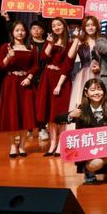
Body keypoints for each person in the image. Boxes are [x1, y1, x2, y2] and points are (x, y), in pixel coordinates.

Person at [67, 79, 107, 184]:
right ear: (86, 93)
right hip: (90, 152)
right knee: (97, 162)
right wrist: (70, 115)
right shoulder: (81, 110)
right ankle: (89, 172)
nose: (96, 93)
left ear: (104, 91)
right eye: (93, 90)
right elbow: (59, 119)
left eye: (99, 89)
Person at [0, 21, 38, 157]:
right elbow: (0, 65)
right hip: (11, 84)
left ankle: (22, 145)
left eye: (23, 30)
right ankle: (13, 146)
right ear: (12, 32)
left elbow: (35, 66)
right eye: (17, 30)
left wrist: (29, 78)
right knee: (12, 115)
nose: (20, 33)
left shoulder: (31, 47)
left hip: (26, 83)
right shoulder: (6, 47)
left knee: (26, 115)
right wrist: (8, 57)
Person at [36, 17, 73, 156]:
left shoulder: (69, 43)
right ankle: (52, 145)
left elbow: (68, 65)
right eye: (54, 26)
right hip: (47, 78)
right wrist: (50, 44)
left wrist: (59, 85)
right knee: (50, 115)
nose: (56, 27)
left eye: (59, 24)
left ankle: (60, 145)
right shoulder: (50, 40)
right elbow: (43, 58)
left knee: (60, 114)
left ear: (64, 26)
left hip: (61, 80)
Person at [68, 16, 100, 109]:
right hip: (83, 75)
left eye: (93, 25)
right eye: (87, 25)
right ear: (84, 28)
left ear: (97, 26)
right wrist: (77, 38)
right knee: (82, 100)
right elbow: (70, 55)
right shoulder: (81, 41)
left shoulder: (102, 41)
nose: (90, 27)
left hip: (100, 74)